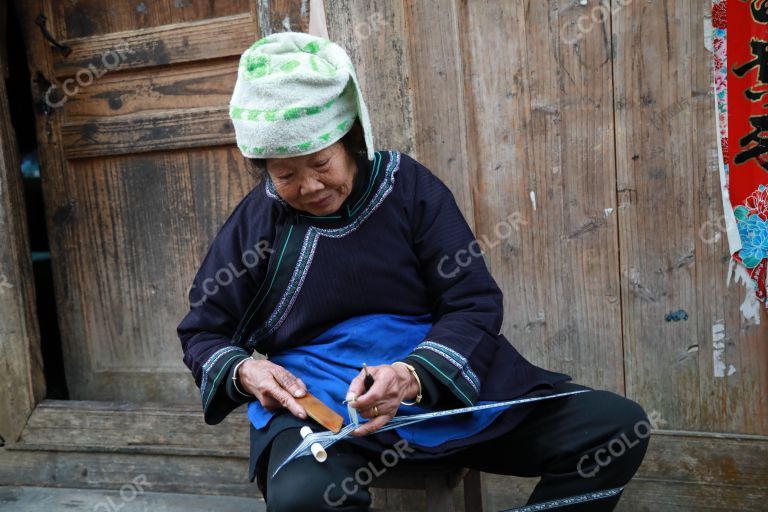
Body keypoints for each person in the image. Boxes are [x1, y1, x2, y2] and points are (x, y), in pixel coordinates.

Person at [177, 31, 649, 511]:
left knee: (617, 427)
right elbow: (203, 331)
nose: (310, 185)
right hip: (320, 409)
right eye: (285, 175)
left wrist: (411, 374)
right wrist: (246, 369)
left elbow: (473, 301)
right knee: (304, 500)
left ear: (350, 140)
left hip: (438, 387)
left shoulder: (406, 188)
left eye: (321, 163)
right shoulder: (257, 222)